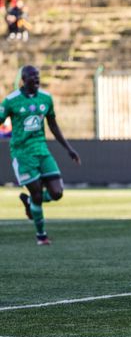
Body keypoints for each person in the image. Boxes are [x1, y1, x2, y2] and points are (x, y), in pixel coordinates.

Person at [0, 65, 81, 245]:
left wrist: (68, 148)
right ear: (23, 79)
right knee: (38, 194)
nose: (36, 80)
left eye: (38, 77)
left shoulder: (46, 98)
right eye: (32, 77)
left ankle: (29, 202)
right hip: (23, 154)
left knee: (57, 192)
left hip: (42, 151)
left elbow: (53, 124)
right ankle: (41, 236)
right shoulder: (11, 101)